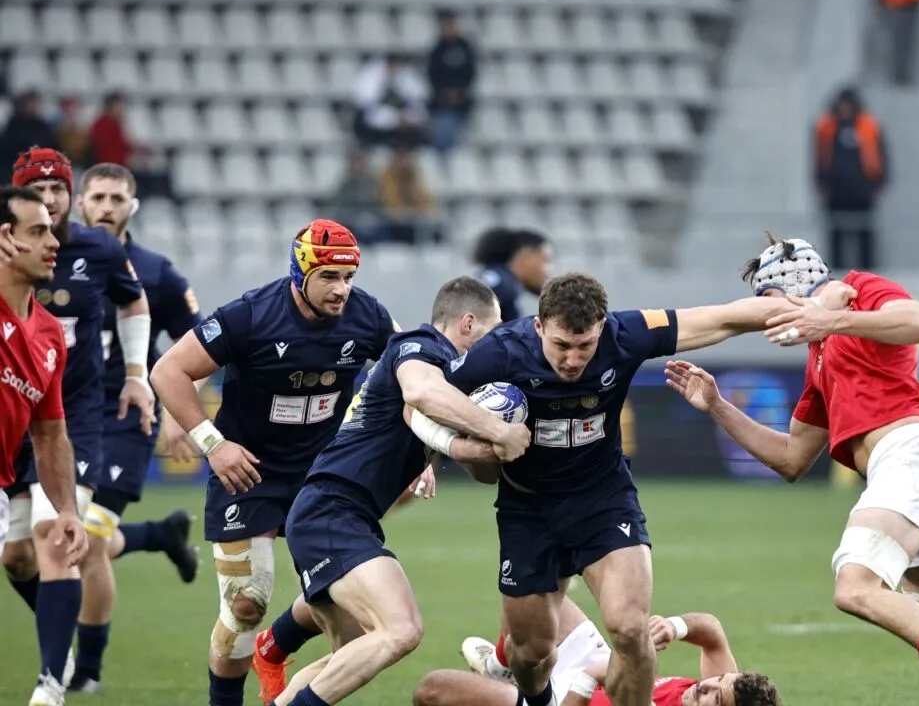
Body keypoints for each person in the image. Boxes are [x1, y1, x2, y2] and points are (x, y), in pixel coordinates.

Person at [663, 235, 919, 706]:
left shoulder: (860, 289)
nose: (769, 319)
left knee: (854, 588)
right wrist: (718, 406)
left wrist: (832, 317)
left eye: (770, 301)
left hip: (911, 459)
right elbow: (792, 458)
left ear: (794, 284)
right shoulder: (818, 359)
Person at [440, 272, 804, 706]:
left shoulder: (626, 334)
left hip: (604, 500)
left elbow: (723, 318)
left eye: (585, 345)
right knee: (530, 654)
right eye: (561, 345)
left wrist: (815, 310)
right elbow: (424, 396)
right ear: (538, 327)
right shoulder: (499, 352)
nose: (573, 359)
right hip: (528, 509)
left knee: (631, 630)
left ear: (602, 327)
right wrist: (442, 449)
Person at [149, 219, 398, 706]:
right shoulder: (250, 315)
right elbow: (168, 370)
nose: (342, 289)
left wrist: (417, 447)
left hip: (325, 477)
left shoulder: (367, 316)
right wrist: (213, 444)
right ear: (299, 274)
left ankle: (278, 649)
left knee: (350, 623)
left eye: (349, 277)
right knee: (246, 604)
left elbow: (408, 372)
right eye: (329, 277)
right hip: (249, 474)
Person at [266, 276, 529, 706]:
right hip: (332, 509)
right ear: (467, 323)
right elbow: (420, 392)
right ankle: (273, 651)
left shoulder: (449, 378)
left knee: (350, 654)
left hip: (336, 513)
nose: (496, 345)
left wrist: (484, 447)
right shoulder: (422, 346)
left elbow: (466, 458)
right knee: (401, 629)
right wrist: (499, 430)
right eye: (493, 331)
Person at [5, 147, 153, 706]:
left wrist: (136, 375)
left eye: (58, 190)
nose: (49, 201)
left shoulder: (100, 250)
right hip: (13, 419)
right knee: (17, 556)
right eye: (36, 192)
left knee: (56, 534)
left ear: (71, 195)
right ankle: (58, 639)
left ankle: (51, 680)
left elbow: (134, 303)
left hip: (72, 418)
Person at [70, 162, 202, 693]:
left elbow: (199, 348)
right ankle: (159, 535)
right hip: (62, 420)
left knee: (89, 539)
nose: (107, 206)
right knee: (46, 543)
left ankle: (86, 673)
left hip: (127, 418)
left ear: (133, 206)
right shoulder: (55, 263)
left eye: (117, 198)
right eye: (97, 197)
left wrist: (177, 412)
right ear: (80, 203)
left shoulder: (156, 272)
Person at [0, 185, 89, 706]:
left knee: (29, 554)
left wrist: (67, 509)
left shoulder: (50, 333)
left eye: (52, 231)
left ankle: (53, 679)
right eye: (37, 232)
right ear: (5, 239)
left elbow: (50, 434)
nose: (53, 242)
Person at [413, 596, 782, 706]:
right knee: (535, 593)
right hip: (597, 669)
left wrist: (590, 680)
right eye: (718, 680)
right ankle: (502, 666)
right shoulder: (704, 690)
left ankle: (525, 683)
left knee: (432, 690)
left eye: (716, 699)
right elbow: (713, 633)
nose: (705, 685)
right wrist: (675, 626)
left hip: (566, 700)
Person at [473, 227, 553, 322]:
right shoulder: (504, 288)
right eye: (545, 260)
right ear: (526, 257)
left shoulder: (497, 279)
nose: (549, 269)